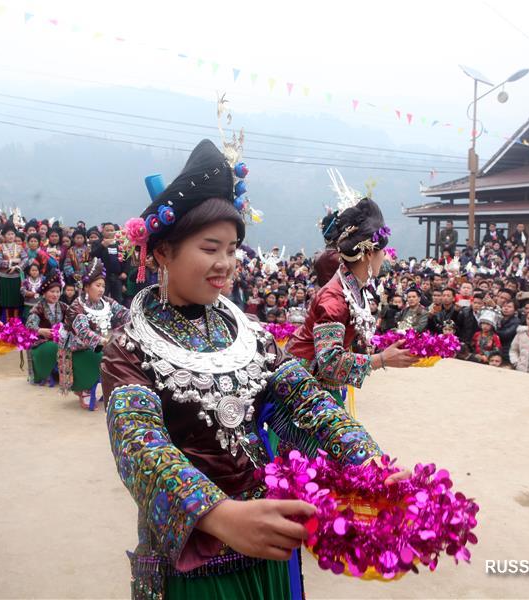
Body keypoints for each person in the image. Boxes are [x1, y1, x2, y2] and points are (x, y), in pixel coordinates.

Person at [101, 138, 406, 599]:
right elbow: (139, 445)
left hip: (265, 541)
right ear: (162, 251)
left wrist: (367, 462)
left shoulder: (253, 336)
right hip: (196, 556)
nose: (225, 263)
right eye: (210, 247)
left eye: (233, 248)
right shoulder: (128, 347)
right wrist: (217, 514)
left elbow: (303, 400)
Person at [287, 171, 417, 407]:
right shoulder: (334, 298)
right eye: (382, 252)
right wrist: (381, 359)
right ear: (368, 253)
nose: (385, 257)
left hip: (321, 385)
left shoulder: (354, 288)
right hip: (304, 390)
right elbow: (329, 363)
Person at [64, 258, 129, 407]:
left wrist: (140, 317)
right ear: (87, 287)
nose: (101, 289)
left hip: (103, 345)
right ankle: (85, 388)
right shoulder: (76, 307)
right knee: (105, 355)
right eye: (97, 285)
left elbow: (124, 314)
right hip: (80, 349)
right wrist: (103, 341)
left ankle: (114, 389)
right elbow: (84, 332)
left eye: (103, 286)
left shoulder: (106, 302)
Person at [25, 270, 69, 386]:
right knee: (52, 346)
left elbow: (74, 320)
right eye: (52, 291)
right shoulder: (38, 307)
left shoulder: (64, 307)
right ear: (44, 293)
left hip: (61, 340)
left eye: (58, 291)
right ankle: (46, 373)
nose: (55, 295)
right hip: (41, 341)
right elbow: (29, 325)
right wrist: (40, 330)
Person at [0, 222, 24, 320]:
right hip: (4, 277)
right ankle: (6, 321)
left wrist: (17, 267)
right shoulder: (0, 247)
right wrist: (12, 262)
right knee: (6, 300)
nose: (11, 236)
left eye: (12, 234)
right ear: (4, 236)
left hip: (16, 277)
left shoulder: (19, 247)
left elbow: (26, 259)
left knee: (16, 300)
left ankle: (16, 321)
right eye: (8, 234)